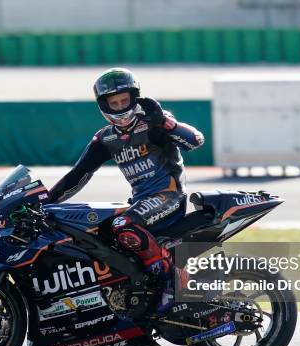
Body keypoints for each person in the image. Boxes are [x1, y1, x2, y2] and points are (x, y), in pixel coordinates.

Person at [48, 67, 204, 316]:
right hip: (140, 202)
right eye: (114, 102)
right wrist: (45, 201)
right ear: (104, 105)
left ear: (135, 98)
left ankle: (170, 282)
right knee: (101, 231)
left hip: (169, 195)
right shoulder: (106, 138)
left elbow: (196, 140)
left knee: (122, 224)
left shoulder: (153, 122)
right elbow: (78, 176)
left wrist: (164, 122)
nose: (121, 106)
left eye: (125, 100)